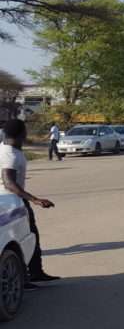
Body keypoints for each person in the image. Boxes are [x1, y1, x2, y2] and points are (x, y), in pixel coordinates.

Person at [1, 119, 59, 286]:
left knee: (29, 235)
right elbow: (9, 182)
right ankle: (26, 276)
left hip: (12, 200)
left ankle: (34, 273)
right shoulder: (9, 154)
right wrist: (35, 200)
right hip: (12, 202)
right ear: (22, 133)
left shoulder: (11, 149)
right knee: (23, 237)